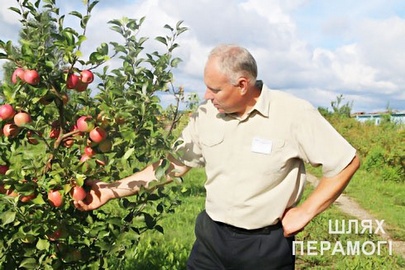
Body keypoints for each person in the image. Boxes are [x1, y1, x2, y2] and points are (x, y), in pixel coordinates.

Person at [75, 44, 360, 269]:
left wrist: (306, 211)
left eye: (215, 89)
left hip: (263, 247)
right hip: (211, 241)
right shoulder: (206, 115)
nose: (207, 96)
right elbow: (173, 164)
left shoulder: (293, 113)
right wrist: (112, 191)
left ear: (242, 84)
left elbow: (345, 162)